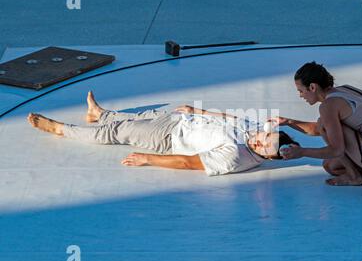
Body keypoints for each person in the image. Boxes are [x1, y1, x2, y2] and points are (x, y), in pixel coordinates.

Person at [27, 91, 298, 176]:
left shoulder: (234, 158)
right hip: (183, 120)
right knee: (141, 117)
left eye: (263, 146)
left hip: (170, 138)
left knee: (118, 132)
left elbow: (188, 162)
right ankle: (98, 114)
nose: (258, 140)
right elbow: (233, 118)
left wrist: (148, 159)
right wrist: (198, 111)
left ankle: (61, 129)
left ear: (266, 157)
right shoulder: (257, 132)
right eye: (265, 137)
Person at [272, 61, 362, 186]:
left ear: (312, 87)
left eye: (301, 91)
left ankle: (355, 177)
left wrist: (302, 152)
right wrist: (289, 122)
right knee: (330, 166)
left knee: (323, 124)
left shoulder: (328, 105)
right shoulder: (345, 90)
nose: (301, 95)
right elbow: (320, 129)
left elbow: (336, 149)